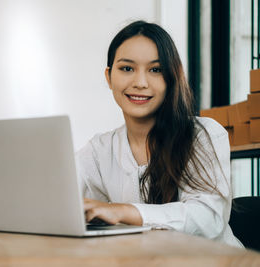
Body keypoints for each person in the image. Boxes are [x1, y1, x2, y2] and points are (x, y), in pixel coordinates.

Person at [77, 20, 243, 248]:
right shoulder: (99, 150)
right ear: (109, 76)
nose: (140, 83)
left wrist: (123, 212)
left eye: (156, 70)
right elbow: (63, 199)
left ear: (171, 78)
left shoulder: (204, 134)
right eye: (127, 68)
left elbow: (208, 220)